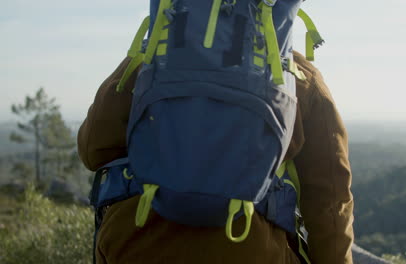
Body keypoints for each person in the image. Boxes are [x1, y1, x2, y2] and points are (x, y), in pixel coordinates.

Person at [78, 51, 354, 264]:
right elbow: (330, 201)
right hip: (250, 249)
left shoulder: (149, 59)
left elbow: (93, 150)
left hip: (135, 242)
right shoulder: (297, 75)